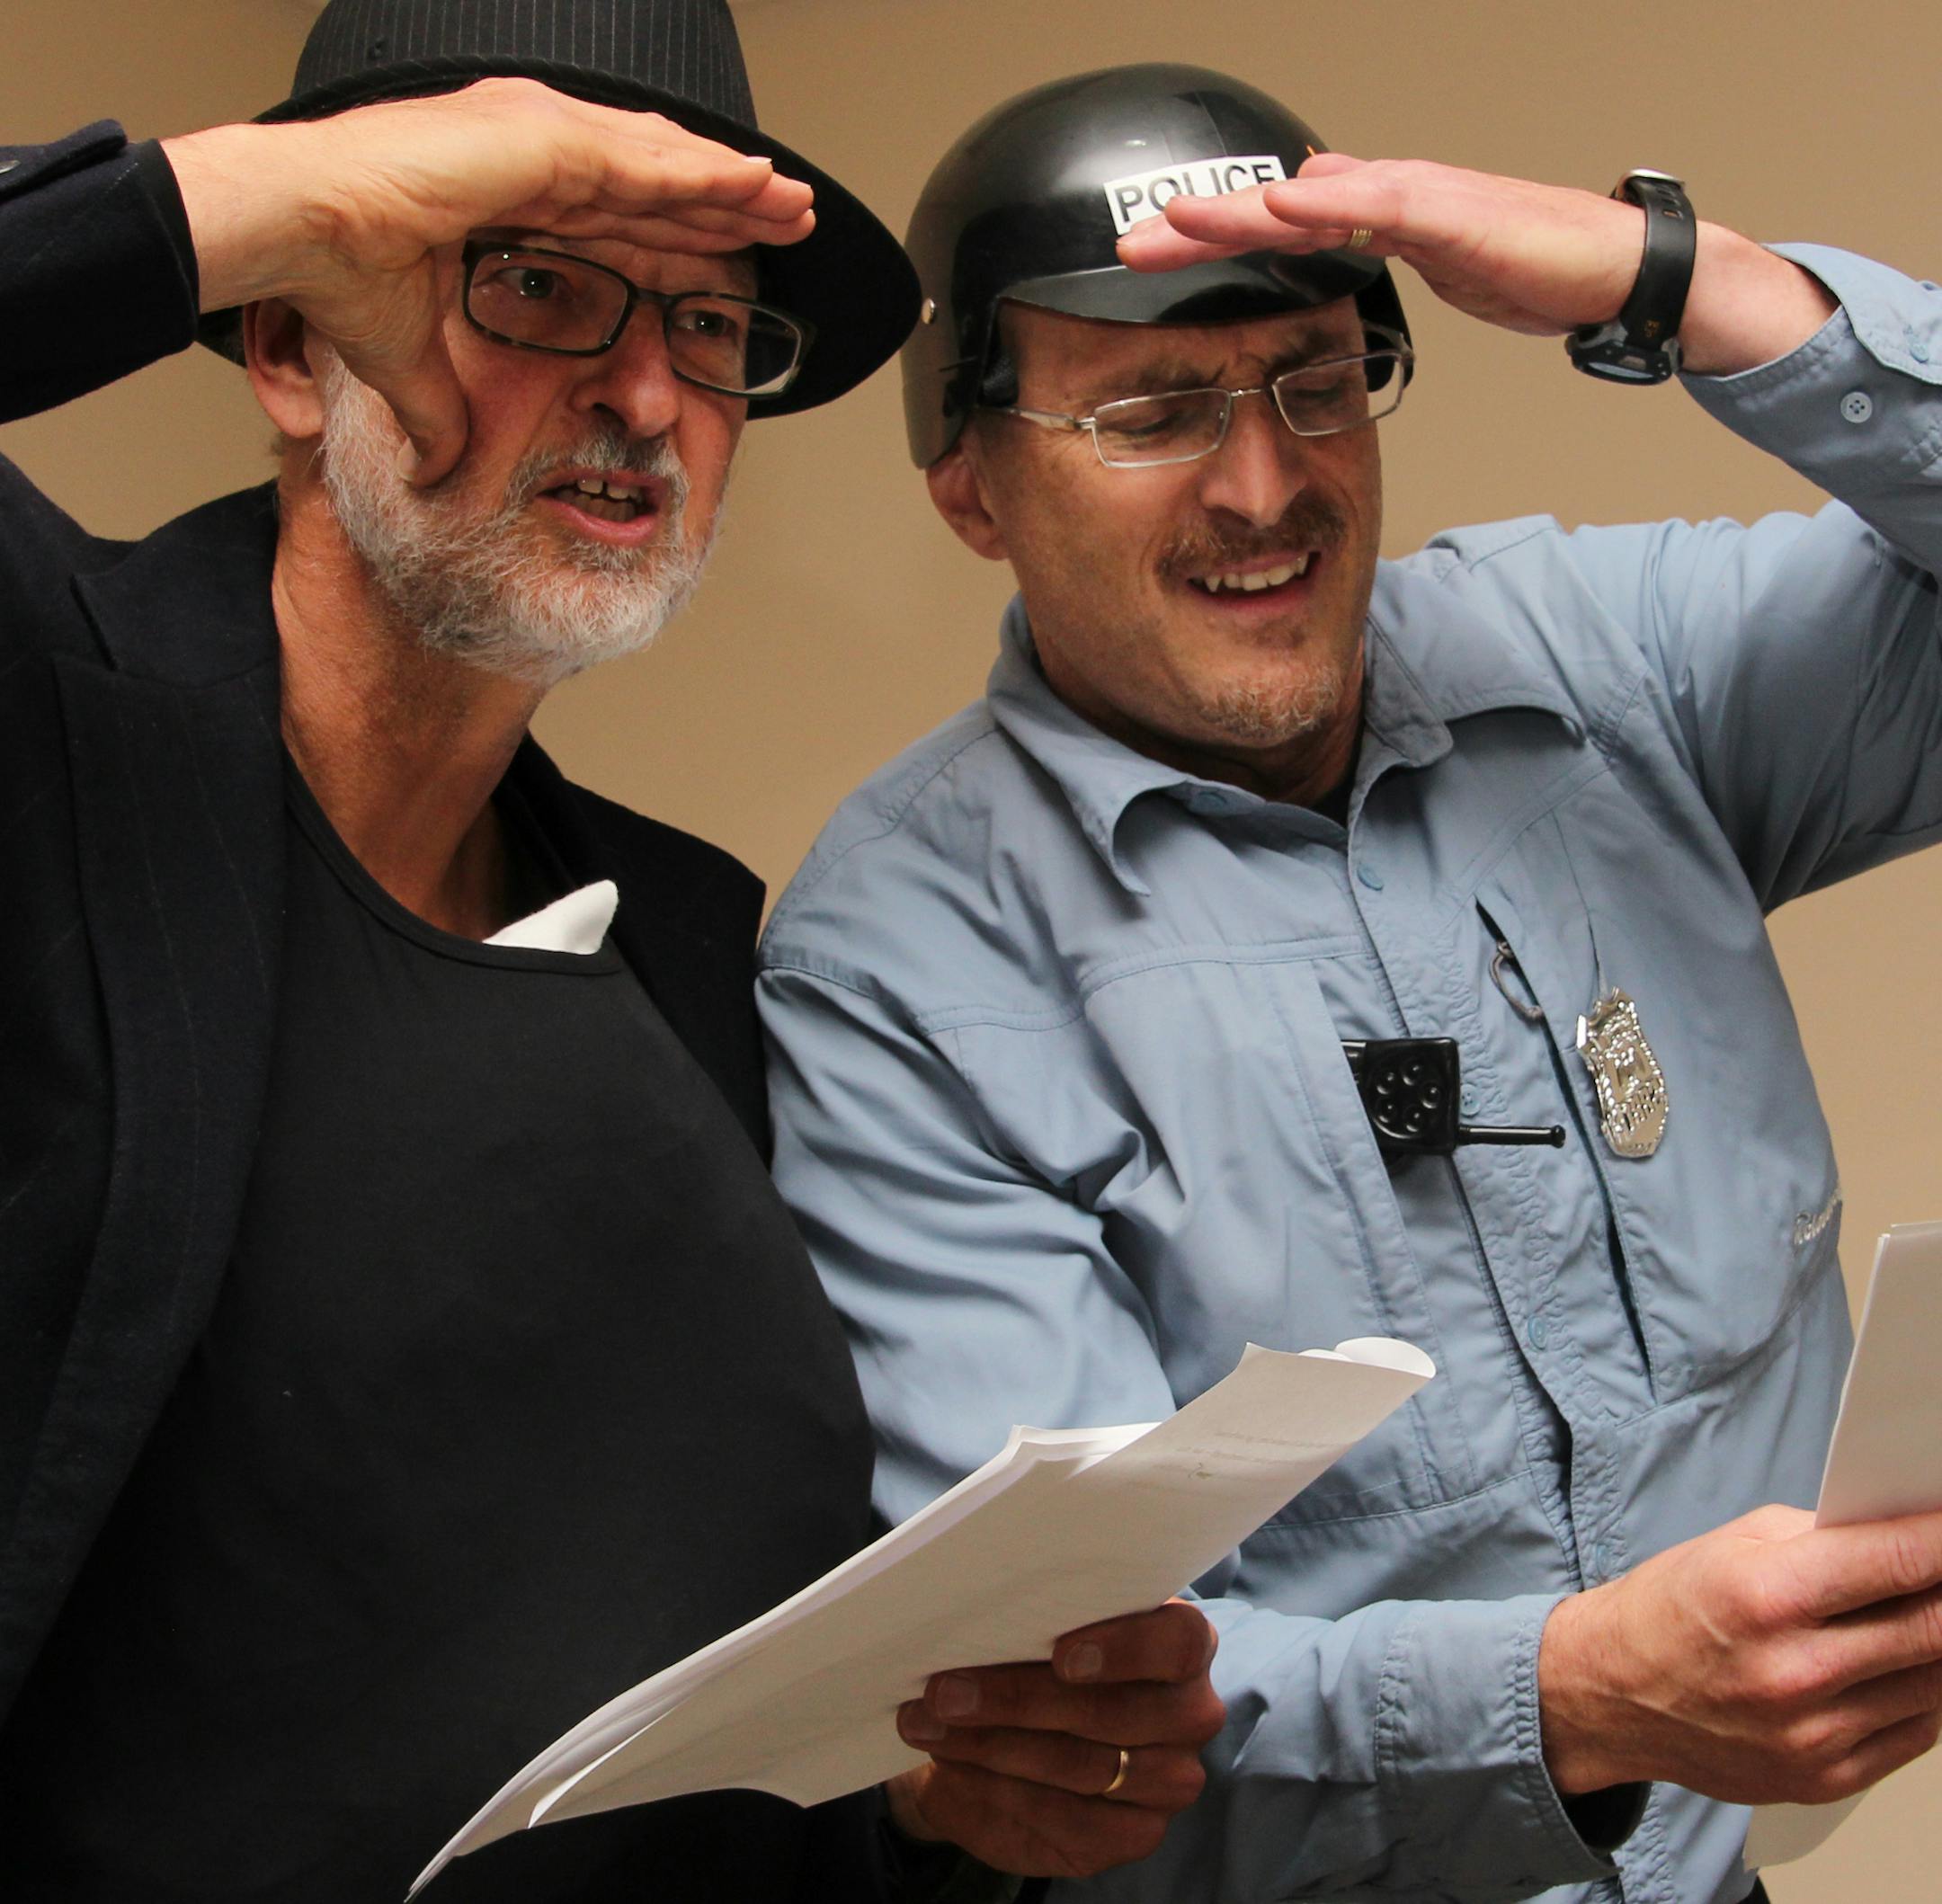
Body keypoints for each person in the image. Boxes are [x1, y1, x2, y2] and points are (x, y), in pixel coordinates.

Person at [0, 9, 1221, 1900]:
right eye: (543, 284)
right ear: (285, 338)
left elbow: (705, 1700)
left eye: (712, 329)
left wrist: (947, 1810)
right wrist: (249, 198)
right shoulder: (48, 717)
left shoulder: (700, 947)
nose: (648, 398)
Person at [757, 61, 1942, 1903]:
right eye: (1153, 409)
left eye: (1316, 384)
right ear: (968, 486)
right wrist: (1581, 1703)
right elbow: (1080, 1725)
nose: (1266, 487)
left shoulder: (1594, 665)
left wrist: (1676, 278)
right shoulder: (902, 966)